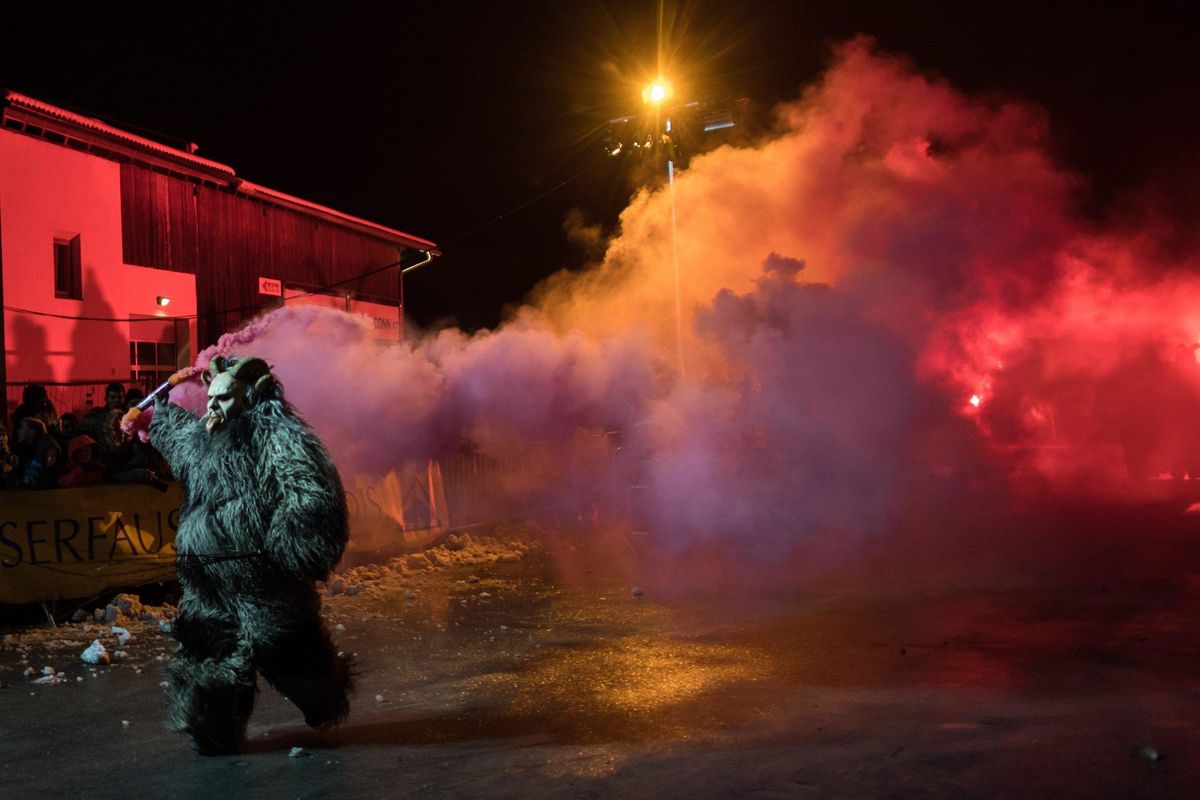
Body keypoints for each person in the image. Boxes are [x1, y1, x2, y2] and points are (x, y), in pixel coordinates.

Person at [143, 355, 351, 755]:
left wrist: (290, 545)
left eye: (223, 399)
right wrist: (162, 416)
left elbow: (308, 490)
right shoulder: (204, 438)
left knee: (291, 657)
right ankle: (214, 732)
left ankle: (322, 699)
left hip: (263, 580)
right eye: (211, 397)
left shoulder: (276, 435)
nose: (213, 406)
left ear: (250, 396)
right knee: (208, 659)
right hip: (207, 584)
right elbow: (181, 444)